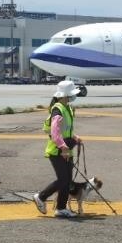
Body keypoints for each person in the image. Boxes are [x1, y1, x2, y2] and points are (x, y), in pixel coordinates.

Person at [33, 80, 83, 218]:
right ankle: (41, 197)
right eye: (72, 94)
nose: (74, 97)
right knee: (63, 180)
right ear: (66, 95)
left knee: (67, 180)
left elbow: (64, 129)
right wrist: (63, 148)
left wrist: (74, 137)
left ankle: (61, 208)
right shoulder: (58, 109)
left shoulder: (66, 107)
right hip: (58, 151)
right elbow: (55, 132)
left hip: (65, 148)